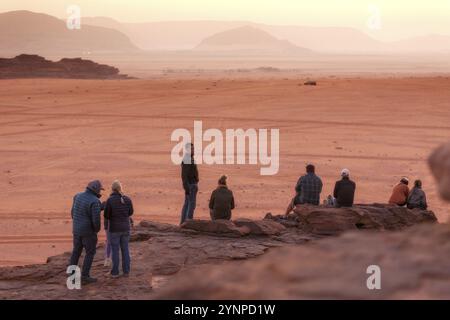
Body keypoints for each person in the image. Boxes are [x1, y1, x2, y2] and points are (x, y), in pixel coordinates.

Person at [69, 180, 104, 285]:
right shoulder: (95, 201)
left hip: (76, 230)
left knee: (76, 252)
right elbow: (96, 220)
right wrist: (95, 230)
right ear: (95, 189)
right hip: (88, 233)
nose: (100, 191)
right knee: (90, 253)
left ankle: (72, 276)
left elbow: (72, 213)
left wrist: (77, 224)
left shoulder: (77, 196)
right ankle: (85, 276)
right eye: (99, 189)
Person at [104, 180, 134, 278]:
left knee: (115, 250)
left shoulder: (110, 200)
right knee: (125, 249)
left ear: (112, 189)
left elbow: (106, 215)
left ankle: (115, 272)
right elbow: (130, 213)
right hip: (126, 228)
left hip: (114, 230)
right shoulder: (127, 199)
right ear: (120, 188)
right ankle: (126, 271)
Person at [180, 143, 199, 224]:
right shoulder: (187, 159)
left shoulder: (190, 158)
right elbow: (184, 175)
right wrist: (187, 188)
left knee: (188, 204)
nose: (193, 150)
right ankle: (188, 223)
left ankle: (183, 223)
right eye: (191, 149)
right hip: (191, 185)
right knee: (191, 205)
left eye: (193, 149)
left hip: (191, 185)